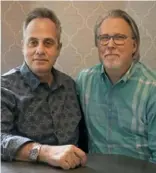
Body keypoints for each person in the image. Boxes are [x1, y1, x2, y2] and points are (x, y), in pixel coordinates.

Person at [1, 7, 87, 170]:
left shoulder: (70, 85)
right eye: (33, 42)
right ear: (23, 46)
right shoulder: (4, 87)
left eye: (48, 43)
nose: (40, 50)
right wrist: (44, 152)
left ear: (58, 49)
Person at [76, 9, 156, 163]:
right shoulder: (84, 81)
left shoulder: (152, 89)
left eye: (119, 37)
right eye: (104, 38)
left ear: (134, 45)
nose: (110, 45)